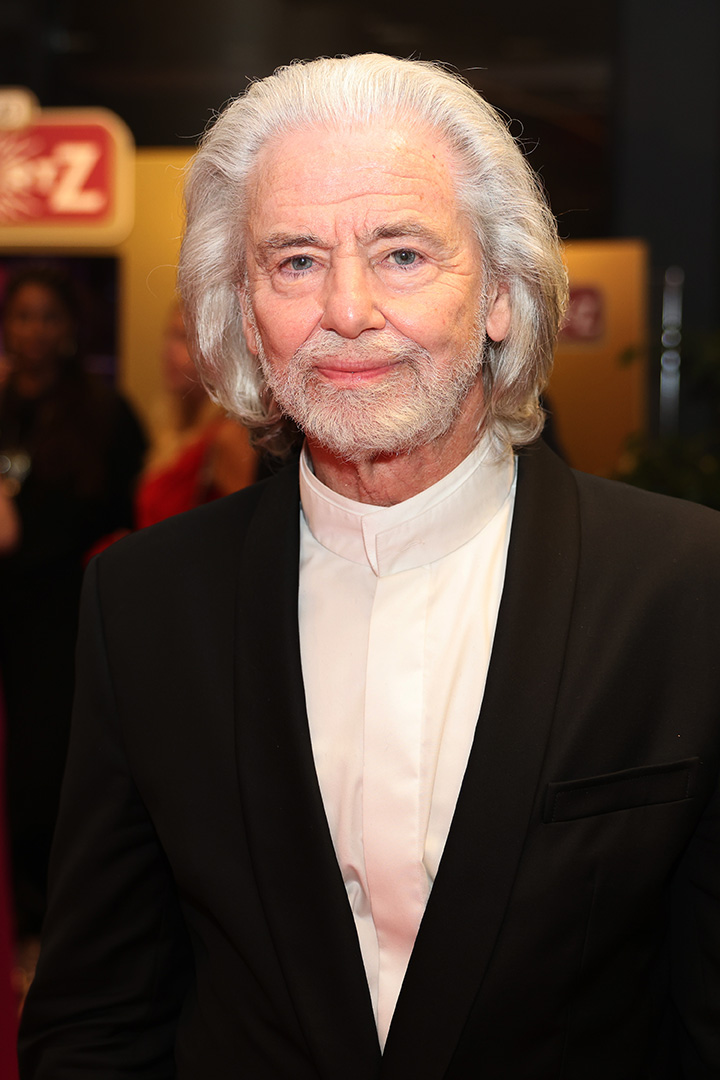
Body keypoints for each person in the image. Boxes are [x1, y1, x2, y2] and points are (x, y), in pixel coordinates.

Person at [18, 55, 720, 1078]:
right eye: (296, 261)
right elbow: (96, 1021)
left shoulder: (688, 591)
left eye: (401, 254)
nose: (347, 309)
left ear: (501, 294)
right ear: (246, 313)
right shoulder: (144, 607)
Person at [0, 265, 147, 942]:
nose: (34, 330)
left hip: (65, 617)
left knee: (51, 765)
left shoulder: (103, 412)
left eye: (48, 317)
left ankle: (52, 917)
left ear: (69, 329)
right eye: (23, 316)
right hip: (8, 610)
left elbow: (126, 519)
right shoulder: (3, 404)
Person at [135, 301, 258, 528]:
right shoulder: (176, 426)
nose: (168, 351)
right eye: (169, 336)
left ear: (219, 352)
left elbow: (247, 529)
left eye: (184, 338)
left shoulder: (229, 435)